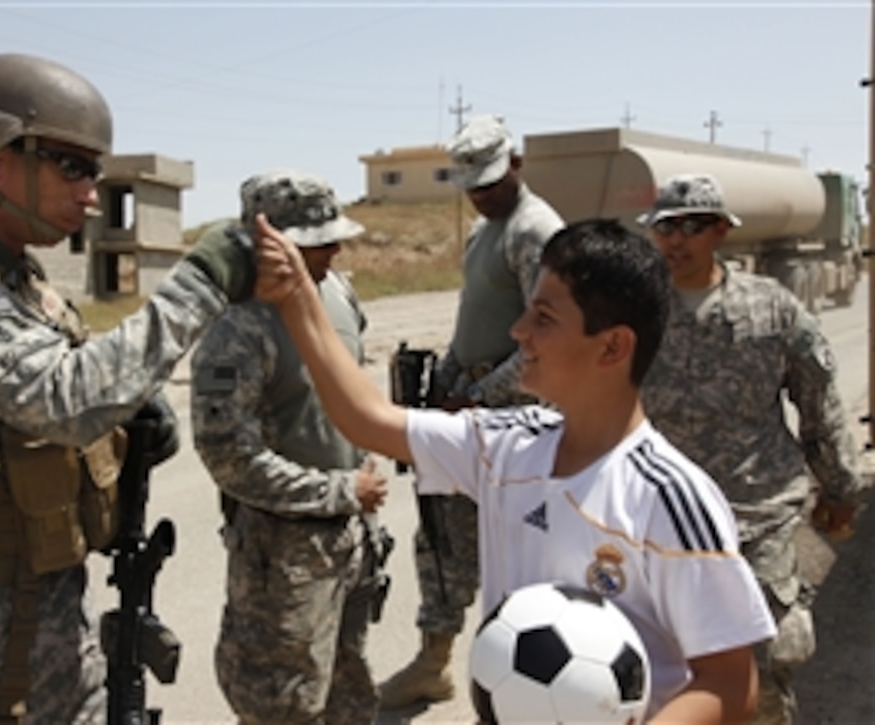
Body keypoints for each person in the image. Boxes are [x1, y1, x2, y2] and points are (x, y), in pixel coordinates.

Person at [0, 53, 256, 723]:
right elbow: (65, 400)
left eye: (96, 171)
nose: (93, 193)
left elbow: (58, 413)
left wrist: (128, 420)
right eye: (72, 166)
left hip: (52, 629)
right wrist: (205, 277)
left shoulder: (20, 284)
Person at [254, 215, 778, 722]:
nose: (519, 330)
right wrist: (300, 298)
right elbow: (368, 419)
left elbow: (731, 685)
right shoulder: (506, 446)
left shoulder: (668, 497)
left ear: (613, 346)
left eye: (544, 318)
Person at [636, 174, 870, 724]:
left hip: (757, 518)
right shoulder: (639, 311)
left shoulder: (771, 309)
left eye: (691, 226)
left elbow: (819, 405)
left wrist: (841, 488)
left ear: (720, 230)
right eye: (665, 228)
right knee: (665, 671)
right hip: (662, 522)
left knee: (764, 672)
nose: (676, 240)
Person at [190, 170, 391, 724]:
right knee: (283, 703)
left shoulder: (339, 292)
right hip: (285, 554)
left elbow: (349, 384)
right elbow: (226, 454)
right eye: (312, 241)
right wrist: (339, 488)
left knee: (349, 687)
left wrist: (367, 453)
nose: (330, 248)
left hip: (352, 536)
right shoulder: (237, 326)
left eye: (332, 237)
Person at [379, 112, 564, 709]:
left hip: (514, 418)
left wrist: (480, 398)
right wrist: (447, 384)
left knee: (520, 552)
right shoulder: (487, 230)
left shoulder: (533, 231)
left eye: (490, 182)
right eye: (472, 187)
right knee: (441, 542)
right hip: (471, 407)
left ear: (517, 163)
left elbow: (546, 341)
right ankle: (434, 664)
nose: (482, 195)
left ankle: (531, 680)